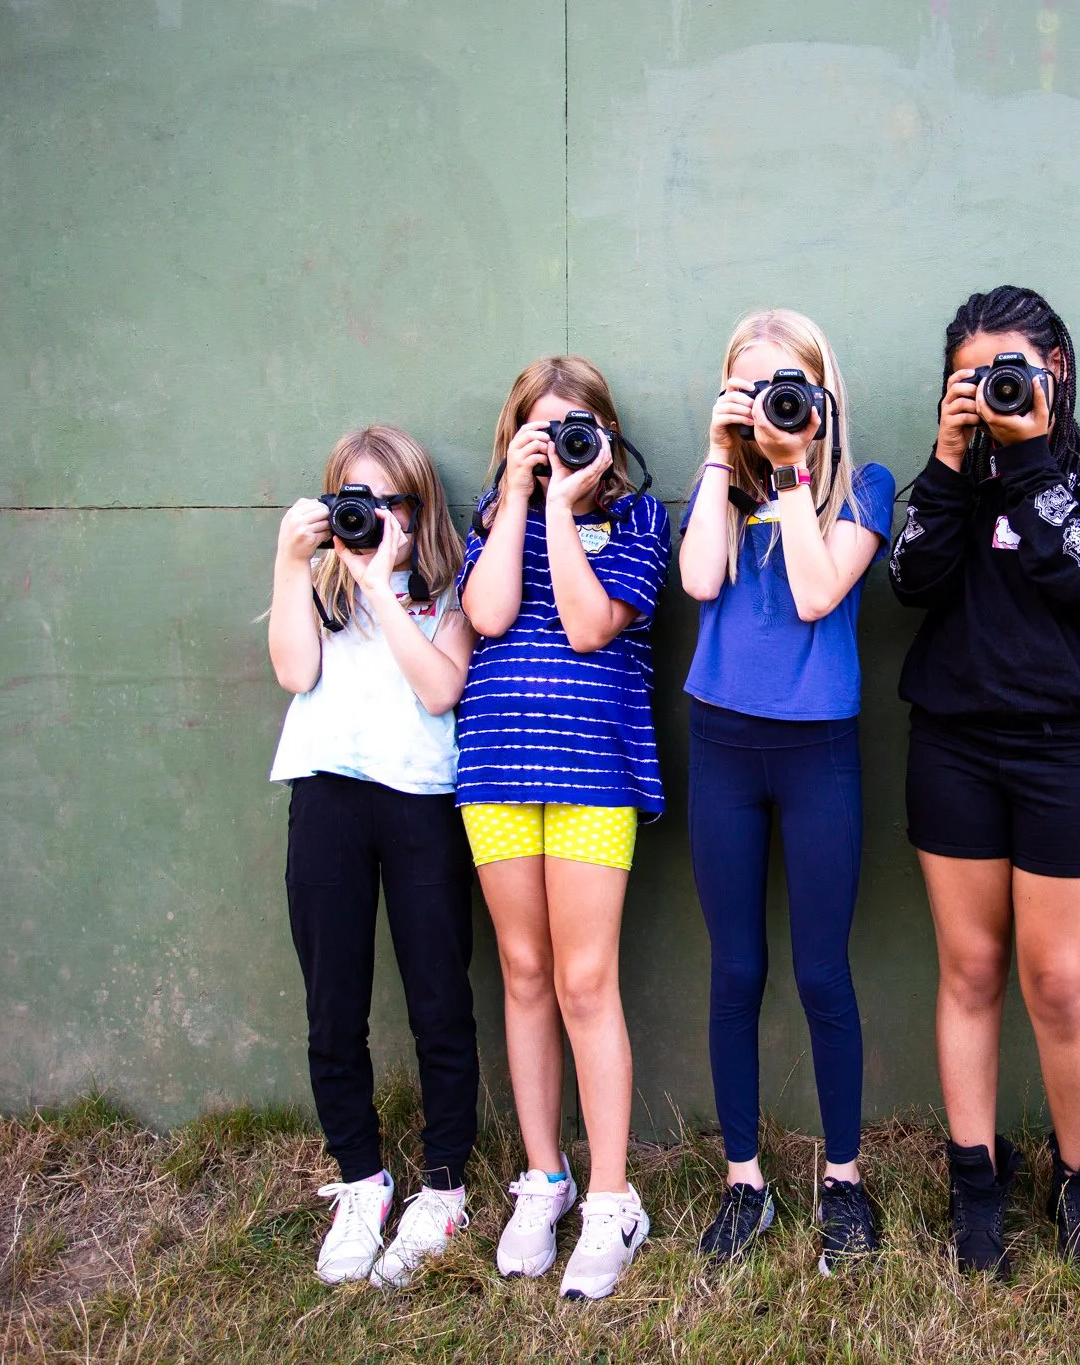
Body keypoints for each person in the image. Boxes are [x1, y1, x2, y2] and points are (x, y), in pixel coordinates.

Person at [887, 285, 1080, 1274]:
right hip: (952, 745)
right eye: (972, 376)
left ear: (1057, 371)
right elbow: (911, 580)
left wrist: (1032, 457)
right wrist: (953, 463)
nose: (992, 389)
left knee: (1058, 980)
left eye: (1011, 372)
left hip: (1065, 752)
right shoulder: (952, 474)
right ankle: (975, 1182)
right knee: (968, 970)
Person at [676, 308, 894, 1273]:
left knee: (820, 971)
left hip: (818, 755)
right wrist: (726, 456)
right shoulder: (716, 485)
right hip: (722, 745)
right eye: (752, 385)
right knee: (735, 971)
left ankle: (843, 1183)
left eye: (788, 385)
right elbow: (697, 578)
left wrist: (798, 466)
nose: (773, 403)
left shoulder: (866, 488)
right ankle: (745, 1182)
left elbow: (814, 593)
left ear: (823, 392)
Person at [457, 357, 671, 1301]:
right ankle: (545, 1178)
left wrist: (561, 508)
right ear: (515, 436)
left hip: (593, 775)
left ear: (609, 435)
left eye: (578, 426)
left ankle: (613, 1197)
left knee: (587, 979)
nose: (561, 444)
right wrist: (516, 495)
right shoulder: (487, 516)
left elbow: (588, 625)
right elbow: (490, 611)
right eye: (542, 430)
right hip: (497, 769)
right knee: (525, 970)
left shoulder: (638, 519)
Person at [265, 425, 480, 1289]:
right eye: (359, 500)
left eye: (395, 501)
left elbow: (440, 688)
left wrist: (385, 585)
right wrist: (291, 563)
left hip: (421, 803)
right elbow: (293, 672)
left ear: (419, 509)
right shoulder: (320, 589)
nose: (377, 517)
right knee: (332, 1003)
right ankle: (363, 1182)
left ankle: (443, 1185)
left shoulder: (451, 594)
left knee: (439, 997)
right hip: (325, 796)